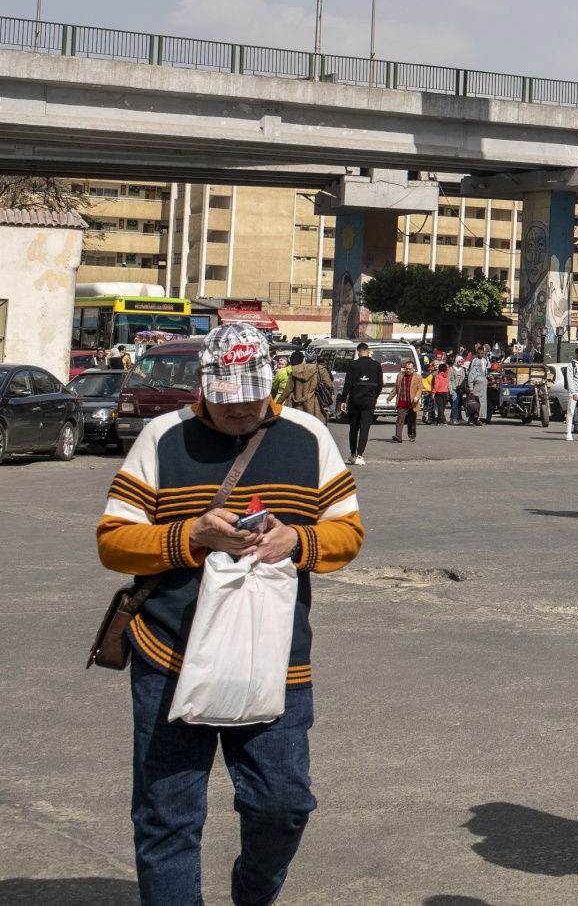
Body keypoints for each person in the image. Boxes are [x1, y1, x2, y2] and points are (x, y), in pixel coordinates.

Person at [97, 323, 364, 904]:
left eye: (251, 390)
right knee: (167, 815)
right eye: (227, 393)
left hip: (275, 660)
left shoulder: (308, 435)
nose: (240, 405)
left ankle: (253, 891)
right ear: (204, 383)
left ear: (271, 380)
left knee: (284, 805)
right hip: (168, 655)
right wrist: (189, 535)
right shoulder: (163, 438)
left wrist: (297, 542)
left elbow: (348, 532)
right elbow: (113, 540)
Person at [340, 342, 384, 466]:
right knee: (365, 428)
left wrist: (343, 400)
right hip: (369, 400)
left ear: (358, 351)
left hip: (354, 399)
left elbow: (347, 383)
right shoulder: (376, 365)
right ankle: (360, 455)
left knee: (353, 428)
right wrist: (375, 396)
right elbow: (380, 384)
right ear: (368, 351)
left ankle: (352, 454)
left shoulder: (353, 364)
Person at [281, 351, 332, 425]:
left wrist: (278, 403)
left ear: (305, 359)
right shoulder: (320, 369)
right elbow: (329, 385)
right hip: (313, 404)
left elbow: (288, 389)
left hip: (296, 405)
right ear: (315, 359)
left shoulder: (295, 369)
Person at [391, 358, 421, 444]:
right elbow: (396, 387)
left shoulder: (418, 377)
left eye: (410, 368)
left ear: (413, 368)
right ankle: (398, 436)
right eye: (406, 368)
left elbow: (420, 388)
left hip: (412, 401)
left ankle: (412, 435)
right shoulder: (400, 376)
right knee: (400, 418)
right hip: (402, 400)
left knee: (411, 419)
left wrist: (416, 397)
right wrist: (390, 397)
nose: (408, 370)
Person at [464, 347, 490, 426]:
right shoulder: (474, 362)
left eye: (482, 353)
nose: (480, 355)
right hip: (476, 386)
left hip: (483, 387)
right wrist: (471, 389)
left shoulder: (485, 360)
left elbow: (485, 371)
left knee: (482, 404)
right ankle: (471, 419)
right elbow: (471, 377)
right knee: (473, 403)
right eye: (479, 353)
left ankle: (479, 419)